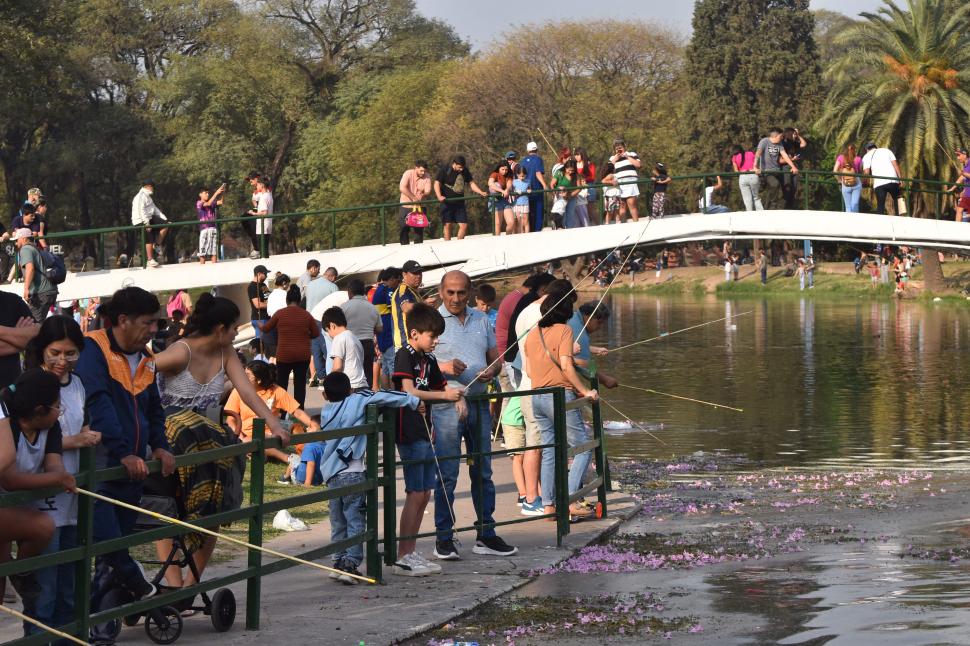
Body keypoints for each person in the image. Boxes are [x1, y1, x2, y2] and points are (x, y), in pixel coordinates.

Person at [74, 287, 177, 644]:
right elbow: (98, 404)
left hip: (132, 473)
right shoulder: (93, 350)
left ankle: (98, 629)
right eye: (148, 322)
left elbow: (153, 409)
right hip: (102, 467)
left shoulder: (146, 357)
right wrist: (123, 452)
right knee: (106, 544)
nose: (153, 329)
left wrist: (161, 446)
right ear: (123, 320)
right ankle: (137, 587)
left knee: (109, 553)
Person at [20, 317, 99, 636]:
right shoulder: (29, 385)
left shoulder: (77, 383)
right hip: (40, 499)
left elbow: (80, 424)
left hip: (73, 493)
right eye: (55, 352)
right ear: (42, 350)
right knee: (45, 590)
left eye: (70, 353)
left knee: (70, 588)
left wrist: (86, 436)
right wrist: (74, 441)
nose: (62, 361)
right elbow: (27, 437)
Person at [431, 270, 516, 561]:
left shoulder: (482, 319)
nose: (456, 298)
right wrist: (442, 367)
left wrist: (491, 371)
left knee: (483, 470)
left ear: (470, 293)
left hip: (479, 402)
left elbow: (496, 357)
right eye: (450, 292)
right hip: (446, 406)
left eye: (461, 292)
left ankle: (486, 534)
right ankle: (444, 538)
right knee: (448, 473)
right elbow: (416, 360)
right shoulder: (432, 320)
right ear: (441, 292)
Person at [316, 372, 419, 583]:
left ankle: (338, 561)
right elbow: (384, 395)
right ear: (350, 390)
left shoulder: (326, 411)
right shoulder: (357, 400)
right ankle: (351, 563)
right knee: (355, 520)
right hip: (352, 471)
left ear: (325, 395)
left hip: (332, 475)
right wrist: (413, 400)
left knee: (338, 521)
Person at [0, 368, 78, 636]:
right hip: (5, 502)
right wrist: (57, 478)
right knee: (42, 527)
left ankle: (19, 571)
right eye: (57, 406)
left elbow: (53, 464)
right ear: (39, 409)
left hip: (14, 507)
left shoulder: (51, 427)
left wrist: (57, 475)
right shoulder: (7, 425)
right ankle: (18, 572)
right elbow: (9, 479)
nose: (60, 411)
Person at [391, 303, 462, 576]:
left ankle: (411, 551)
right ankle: (403, 554)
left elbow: (440, 387)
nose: (435, 341)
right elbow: (409, 391)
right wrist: (444, 397)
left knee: (425, 493)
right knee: (414, 493)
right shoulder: (404, 355)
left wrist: (457, 397)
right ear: (415, 333)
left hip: (425, 430)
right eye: (432, 336)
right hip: (408, 430)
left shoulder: (429, 361)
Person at [524, 289, 599, 521]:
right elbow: (567, 366)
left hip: (537, 395)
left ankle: (548, 506)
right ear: (565, 311)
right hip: (559, 395)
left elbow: (528, 369)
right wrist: (586, 390)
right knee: (583, 447)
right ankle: (570, 498)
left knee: (549, 450)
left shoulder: (532, 333)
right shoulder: (565, 330)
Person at [224, 360, 316, 464]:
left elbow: (298, 412)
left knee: (296, 428)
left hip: (274, 432)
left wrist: (315, 426)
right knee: (254, 442)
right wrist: (240, 438)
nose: (243, 377)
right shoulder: (238, 391)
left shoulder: (276, 391)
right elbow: (230, 420)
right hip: (248, 435)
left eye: (247, 375)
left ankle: (307, 457)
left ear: (258, 380)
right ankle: (288, 458)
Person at [260, 286, 319, 408]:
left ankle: (282, 411)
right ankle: (299, 410)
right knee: (300, 384)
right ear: (299, 300)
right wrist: (305, 334)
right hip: (302, 355)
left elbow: (266, 329)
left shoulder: (280, 313)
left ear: (287, 300)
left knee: (282, 384)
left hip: (284, 354)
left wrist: (260, 325)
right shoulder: (306, 315)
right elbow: (316, 333)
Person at [434, 156, 488, 241]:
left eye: (462, 167)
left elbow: (471, 183)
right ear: (454, 164)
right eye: (459, 167)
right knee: (448, 225)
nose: (461, 169)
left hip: (459, 203)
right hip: (447, 203)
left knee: (464, 225)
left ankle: (459, 245)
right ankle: (447, 246)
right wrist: (439, 196)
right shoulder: (445, 170)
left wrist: (480, 192)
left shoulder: (465, 171)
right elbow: (437, 184)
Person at [340, 279, 381, 389]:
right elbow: (380, 328)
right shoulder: (372, 307)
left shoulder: (343, 307)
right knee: (367, 375)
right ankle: (366, 400)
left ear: (350, 292)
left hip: (350, 344)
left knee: (350, 374)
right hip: (368, 344)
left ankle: (350, 400)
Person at [14, 228, 58, 323]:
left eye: (17, 239)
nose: (16, 242)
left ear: (24, 238)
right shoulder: (34, 247)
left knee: (33, 324)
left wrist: (26, 288)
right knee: (36, 323)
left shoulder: (25, 249)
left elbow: (30, 268)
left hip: (41, 292)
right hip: (48, 290)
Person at [306, 266, 339, 385]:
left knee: (315, 349)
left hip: (310, 318)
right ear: (332, 277)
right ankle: (328, 376)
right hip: (323, 319)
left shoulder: (310, 284)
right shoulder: (333, 287)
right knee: (328, 348)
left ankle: (321, 376)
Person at [0, 290, 39, 389]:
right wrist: (19, 339)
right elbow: (30, 339)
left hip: (11, 388)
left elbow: (37, 334)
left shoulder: (13, 301)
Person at [322, 306, 368, 391]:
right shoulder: (354, 337)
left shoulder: (339, 338)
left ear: (332, 326)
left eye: (328, 331)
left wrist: (328, 384)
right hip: (362, 385)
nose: (329, 335)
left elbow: (337, 367)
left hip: (350, 386)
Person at [754, 128, 800, 208]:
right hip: (767, 171)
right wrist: (755, 167)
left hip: (778, 171)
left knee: (787, 186)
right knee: (775, 184)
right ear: (775, 136)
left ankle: (784, 206)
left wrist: (793, 167)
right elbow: (758, 154)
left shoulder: (779, 144)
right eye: (780, 136)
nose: (782, 138)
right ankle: (773, 206)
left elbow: (785, 156)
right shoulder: (764, 141)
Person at [371, 267, 401, 387]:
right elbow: (395, 305)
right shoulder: (386, 290)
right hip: (388, 332)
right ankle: (395, 394)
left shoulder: (378, 290)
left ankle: (386, 393)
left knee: (385, 368)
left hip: (381, 332)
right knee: (393, 366)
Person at [131, 180, 169, 268]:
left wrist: (165, 219)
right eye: (152, 187)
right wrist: (146, 224)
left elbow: (155, 209)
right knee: (149, 236)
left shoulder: (148, 197)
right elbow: (140, 211)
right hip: (140, 220)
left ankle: (157, 245)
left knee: (166, 225)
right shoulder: (140, 196)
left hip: (149, 218)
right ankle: (149, 259)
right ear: (148, 186)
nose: (153, 189)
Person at [862, 143, 903, 215]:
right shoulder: (887, 150)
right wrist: (900, 179)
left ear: (867, 150)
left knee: (880, 205)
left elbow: (866, 172)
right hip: (893, 180)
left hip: (879, 183)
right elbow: (895, 165)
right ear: (876, 147)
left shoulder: (867, 156)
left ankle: (880, 222)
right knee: (897, 200)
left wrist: (865, 182)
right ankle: (899, 217)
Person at [392, 260, 424, 350]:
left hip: (413, 343)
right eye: (414, 273)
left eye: (420, 272)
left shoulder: (412, 291)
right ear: (404, 275)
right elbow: (406, 307)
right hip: (405, 344)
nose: (418, 276)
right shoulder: (403, 289)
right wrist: (424, 305)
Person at [399, 161, 432, 245]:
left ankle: (418, 250)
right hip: (405, 206)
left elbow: (428, 190)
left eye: (424, 171)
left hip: (419, 207)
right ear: (416, 168)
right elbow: (402, 188)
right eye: (421, 170)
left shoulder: (427, 176)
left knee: (419, 231)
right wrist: (414, 197)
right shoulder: (408, 173)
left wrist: (423, 194)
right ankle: (404, 248)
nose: (423, 173)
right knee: (404, 229)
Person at [609, 138, 642, 222]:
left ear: (624, 147)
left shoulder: (632, 154)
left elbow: (638, 164)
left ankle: (636, 223)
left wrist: (627, 157)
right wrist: (614, 160)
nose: (619, 150)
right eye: (616, 148)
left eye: (620, 147)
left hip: (630, 182)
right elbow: (607, 170)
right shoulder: (613, 158)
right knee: (622, 205)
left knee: (632, 204)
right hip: (619, 184)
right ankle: (624, 225)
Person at [519, 142, 547, 232]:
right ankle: (537, 232)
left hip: (525, 191)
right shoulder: (538, 160)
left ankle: (528, 231)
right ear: (537, 150)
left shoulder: (522, 161)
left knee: (528, 213)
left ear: (528, 150)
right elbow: (538, 173)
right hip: (536, 190)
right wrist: (545, 185)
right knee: (538, 213)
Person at [551, 160, 584, 229]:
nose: (571, 172)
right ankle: (559, 228)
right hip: (560, 198)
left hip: (571, 198)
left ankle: (569, 231)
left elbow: (579, 188)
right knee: (561, 215)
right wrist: (555, 193)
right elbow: (552, 184)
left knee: (570, 216)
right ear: (565, 168)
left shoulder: (576, 175)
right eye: (569, 170)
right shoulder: (559, 173)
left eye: (572, 170)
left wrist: (570, 195)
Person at [197, 184, 225, 264]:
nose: (207, 194)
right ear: (200, 194)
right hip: (204, 229)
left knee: (213, 252)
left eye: (208, 193)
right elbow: (208, 204)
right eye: (205, 193)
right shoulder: (199, 203)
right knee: (202, 253)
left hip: (213, 229)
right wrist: (216, 193)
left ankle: (214, 268)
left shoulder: (212, 202)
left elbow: (221, 202)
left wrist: (222, 192)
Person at [248, 177, 274, 259]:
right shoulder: (269, 194)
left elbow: (264, 212)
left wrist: (253, 213)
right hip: (268, 225)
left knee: (262, 250)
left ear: (262, 185)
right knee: (265, 249)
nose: (257, 186)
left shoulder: (263, 197)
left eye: (258, 184)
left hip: (263, 227)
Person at [732, 145, 764, 211]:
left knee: (747, 199)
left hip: (743, 176)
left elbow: (736, 171)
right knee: (756, 197)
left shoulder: (734, 157)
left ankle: (749, 215)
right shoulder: (750, 153)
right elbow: (756, 163)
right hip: (753, 175)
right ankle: (761, 214)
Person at [834, 144, 863, 213]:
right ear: (854, 150)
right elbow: (860, 171)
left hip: (845, 182)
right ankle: (855, 220)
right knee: (855, 204)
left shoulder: (840, 158)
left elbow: (835, 171)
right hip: (856, 182)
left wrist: (839, 180)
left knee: (848, 206)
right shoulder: (858, 159)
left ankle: (849, 222)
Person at [488, 162, 515, 236]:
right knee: (497, 224)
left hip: (505, 200)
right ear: (499, 168)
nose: (504, 171)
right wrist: (502, 191)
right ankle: (497, 242)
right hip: (495, 200)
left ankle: (507, 238)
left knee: (511, 222)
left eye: (506, 169)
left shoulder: (509, 174)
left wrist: (507, 190)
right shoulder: (495, 174)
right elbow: (490, 183)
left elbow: (509, 183)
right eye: (502, 169)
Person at [574, 148, 598, 225]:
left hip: (589, 187)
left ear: (582, 155)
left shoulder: (589, 164)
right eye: (575, 155)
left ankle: (599, 225)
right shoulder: (574, 165)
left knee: (590, 209)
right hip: (578, 189)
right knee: (580, 210)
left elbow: (592, 176)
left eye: (578, 155)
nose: (576, 156)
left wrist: (583, 180)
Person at [948, 147, 970, 223]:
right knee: (959, 210)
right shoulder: (965, 166)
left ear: (965, 155)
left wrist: (965, 174)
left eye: (959, 155)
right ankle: (957, 230)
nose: (957, 158)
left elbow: (965, 175)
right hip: (967, 195)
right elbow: (961, 179)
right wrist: (952, 188)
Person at [511, 165, 531, 233]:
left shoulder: (528, 181)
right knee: (519, 221)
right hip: (517, 204)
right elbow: (511, 191)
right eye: (520, 176)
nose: (522, 177)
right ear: (517, 174)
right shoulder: (514, 182)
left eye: (523, 176)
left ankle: (527, 235)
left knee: (526, 220)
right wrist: (515, 192)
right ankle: (520, 235)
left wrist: (529, 190)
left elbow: (529, 189)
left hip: (525, 203)